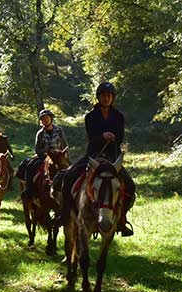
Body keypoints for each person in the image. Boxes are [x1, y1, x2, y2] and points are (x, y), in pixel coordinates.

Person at [51, 82, 136, 236]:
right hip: (93, 155)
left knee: (130, 185)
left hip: (112, 158)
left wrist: (112, 137)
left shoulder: (119, 116)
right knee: (68, 176)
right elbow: (91, 136)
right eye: (103, 96)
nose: (106, 98)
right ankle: (65, 214)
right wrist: (102, 136)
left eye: (109, 96)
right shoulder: (90, 117)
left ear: (113, 98)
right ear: (98, 97)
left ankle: (121, 220)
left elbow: (120, 136)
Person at [18, 109, 68, 198]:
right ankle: (29, 191)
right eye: (43, 119)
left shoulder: (59, 130)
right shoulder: (40, 133)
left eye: (47, 118)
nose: (45, 120)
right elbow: (37, 149)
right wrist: (46, 152)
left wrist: (64, 155)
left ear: (51, 118)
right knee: (30, 167)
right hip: (44, 157)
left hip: (58, 157)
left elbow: (65, 145)